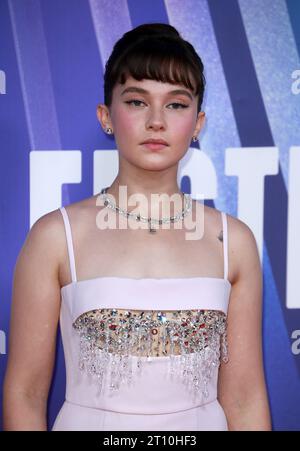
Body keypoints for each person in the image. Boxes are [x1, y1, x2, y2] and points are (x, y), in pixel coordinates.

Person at [3, 23, 272, 431]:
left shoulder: (232, 242)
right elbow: (24, 395)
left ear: (198, 123)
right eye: (137, 101)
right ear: (105, 115)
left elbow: (245, 398)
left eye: (176, 104)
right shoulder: (56, 237)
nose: (157, 121)